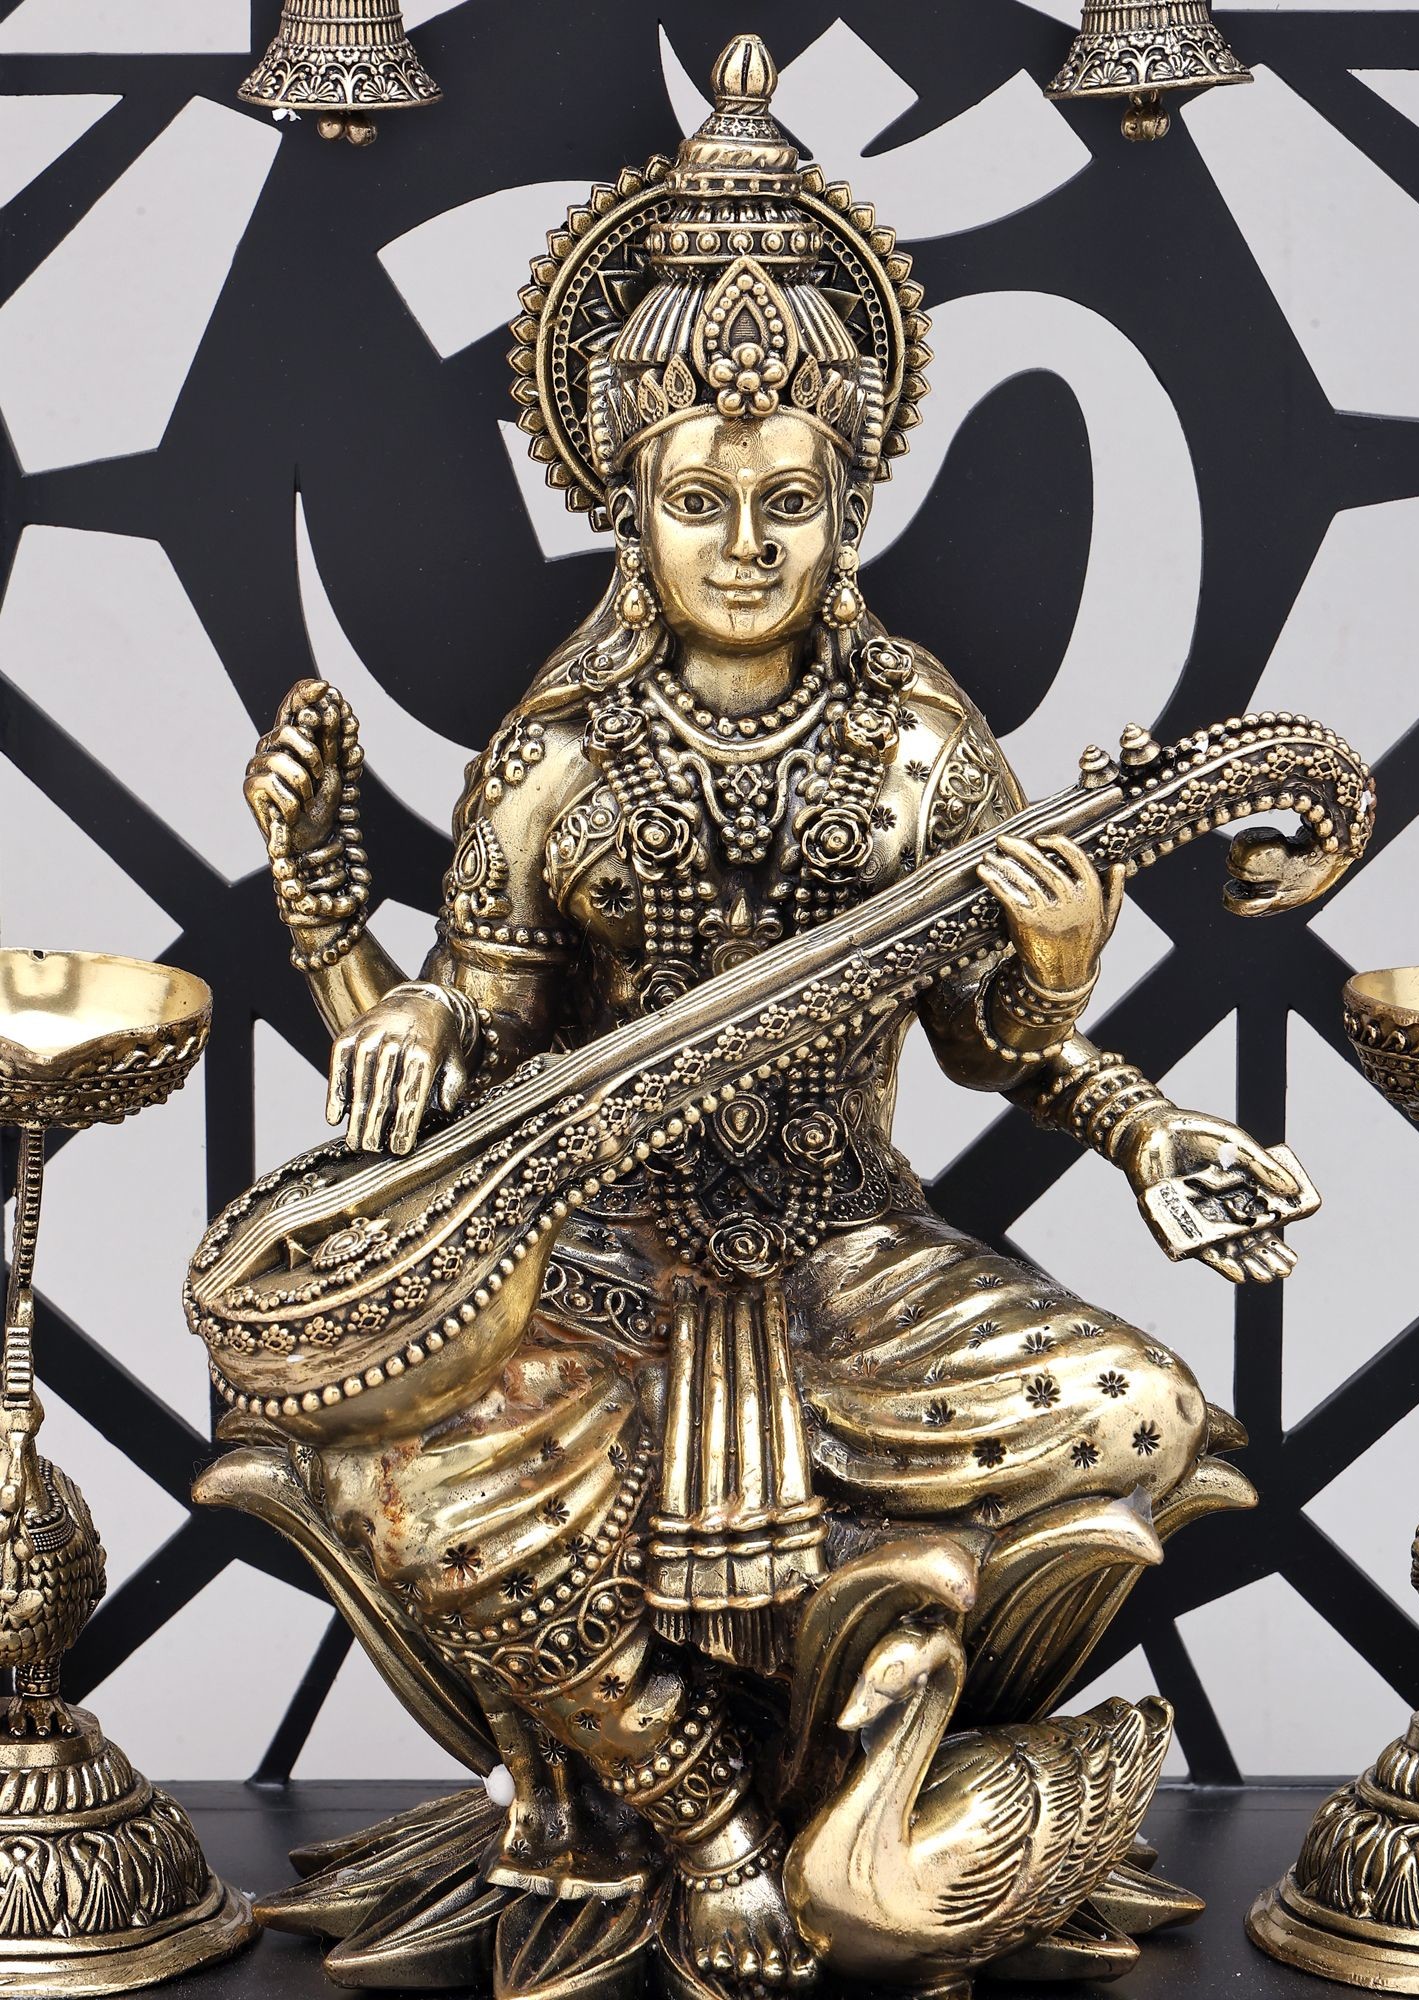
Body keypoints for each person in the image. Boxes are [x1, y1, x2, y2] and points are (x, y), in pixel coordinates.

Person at [237, 37, 1303, 1990]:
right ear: (625, 506)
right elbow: (472, 1045)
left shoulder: (921, 743)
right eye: (700, 499)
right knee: (412, 1473)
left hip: (847, 1257)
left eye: (791, 501)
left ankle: (870, 1750)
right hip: (600, 1278)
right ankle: (700, 1815)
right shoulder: (558, 756)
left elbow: (995, 1040)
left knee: (1142, 1416)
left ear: (850, 506)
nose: (746, 543)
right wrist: (371, 989)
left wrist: (1130, 1093)